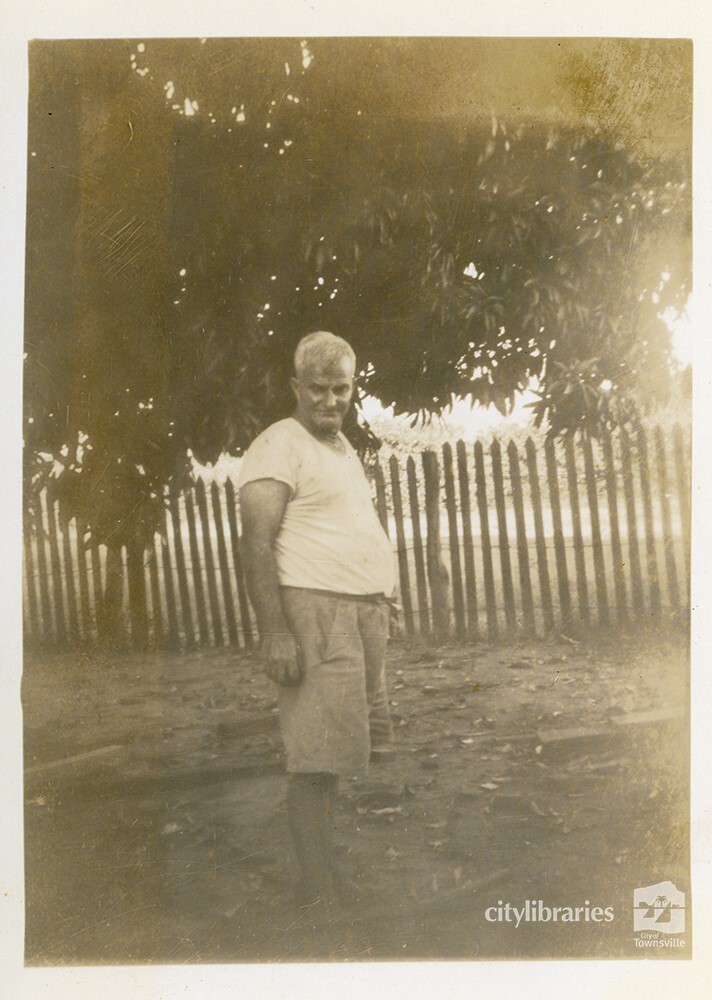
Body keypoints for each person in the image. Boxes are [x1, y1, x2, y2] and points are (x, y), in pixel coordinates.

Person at [238, 331, 396, 923]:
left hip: (358, 614)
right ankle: (314, 890)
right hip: (315, 617)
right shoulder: (279, 445)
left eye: (342, 389)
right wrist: (275, 632)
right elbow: (256, 544)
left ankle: (328, 874)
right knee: (315, 759)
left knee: (343, 754)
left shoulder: (342, 448)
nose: (331, 401)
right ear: (295, 387)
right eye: (319, 390)